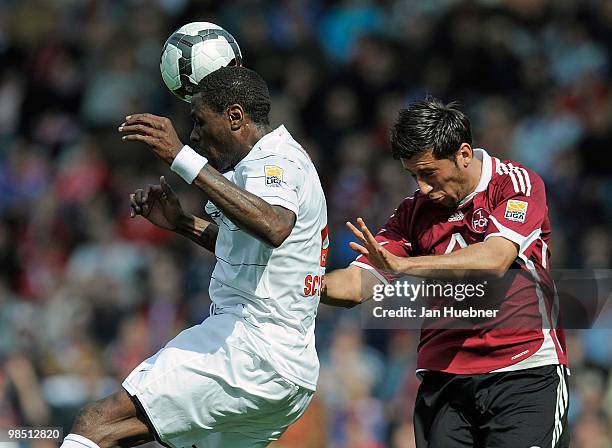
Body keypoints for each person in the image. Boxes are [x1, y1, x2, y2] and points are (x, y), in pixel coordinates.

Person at [60, 66, 328, 448]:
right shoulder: (263, 163)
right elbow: (253, 247)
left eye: (201, 122)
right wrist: (183, 223)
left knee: (97, 423)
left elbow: (274, 225)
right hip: (284, 371)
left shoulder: (275, 160)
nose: (195, 135)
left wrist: (181, 157)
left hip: (249, 350)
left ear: (235, 117)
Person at [321, 98, 569, 447]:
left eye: (429, 173)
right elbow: (356, 284)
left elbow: (497, 258)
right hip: (445, 380)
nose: (421, 187)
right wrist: (299, 281)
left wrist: (406, 265)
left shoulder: (515, 184)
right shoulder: (412, 212)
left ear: (463, 154)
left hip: (523, 371)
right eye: (413, 176)